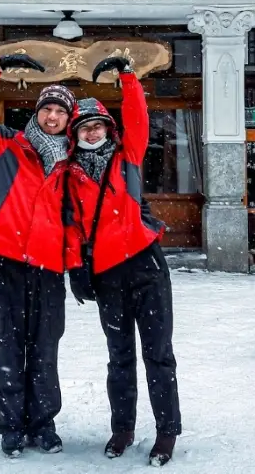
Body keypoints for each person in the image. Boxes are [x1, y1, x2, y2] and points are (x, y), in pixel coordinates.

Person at [65, 56, 182, 468]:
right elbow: (73, 228)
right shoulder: (70, 174)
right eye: (84, 127)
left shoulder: (127, 157)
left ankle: (166, 432)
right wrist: (75, 269)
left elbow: (138, 117)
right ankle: (123, 428)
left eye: (97, 125)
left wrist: (128, 77)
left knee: (158, 353)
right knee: (119, 357)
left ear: (108, 129)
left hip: (146, 268)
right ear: (75, 135)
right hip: (107, 276)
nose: (92, 132)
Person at [0, 54, 75, 458]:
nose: (53, 116)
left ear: (68, 118)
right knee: (6, 346)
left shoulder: (74, 163)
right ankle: (10, 428)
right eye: (48, 108)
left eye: (61, 110)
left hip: (48, 267)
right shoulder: (5, 145)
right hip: (5, 261)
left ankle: (43, 424)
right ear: (37, 113)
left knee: (45, 347)